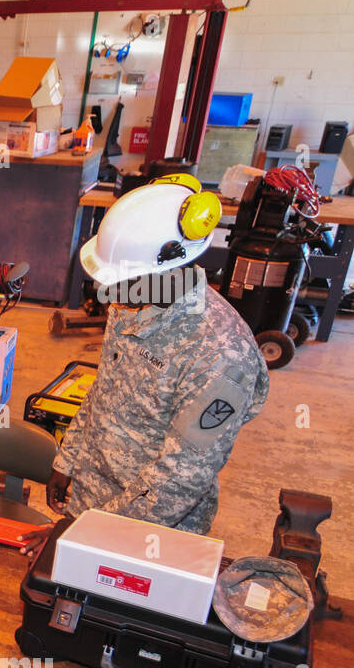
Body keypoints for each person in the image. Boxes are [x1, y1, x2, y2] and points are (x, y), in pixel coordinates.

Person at [18, 176, 269, 554]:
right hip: (89, 503)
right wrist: (69, 460)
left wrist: (82, 539)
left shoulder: (221, 355)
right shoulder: (135, 297)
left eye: (123, 280)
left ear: (172, 267)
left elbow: (180, 479)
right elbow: (104, 389)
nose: (110, 293)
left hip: (150, 533)